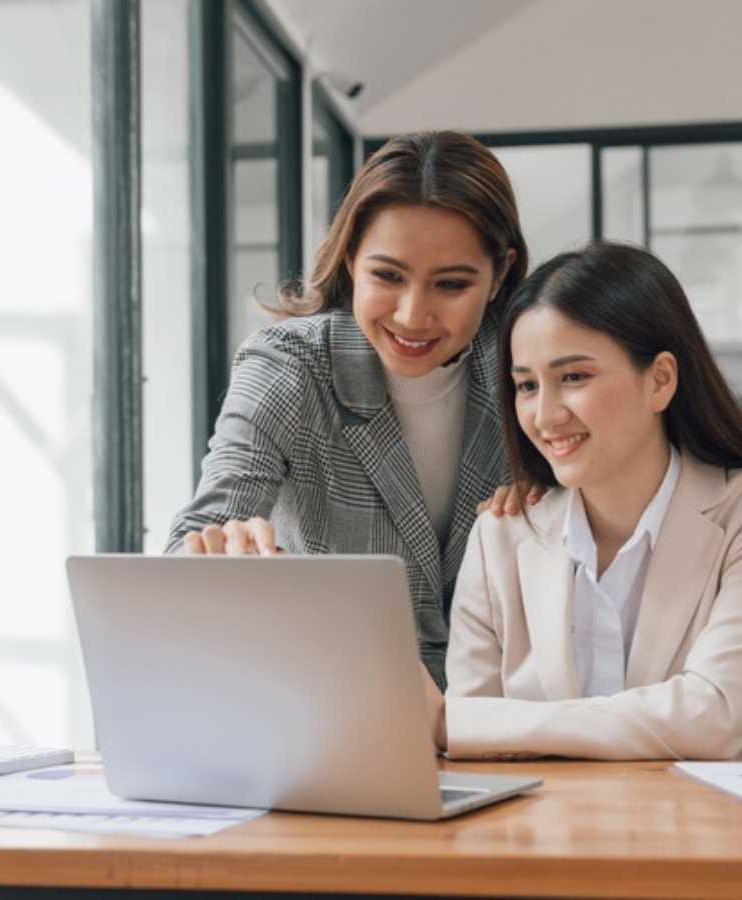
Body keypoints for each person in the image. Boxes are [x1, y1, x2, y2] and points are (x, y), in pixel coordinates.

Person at [424, 242, 742, 761]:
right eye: (527, 385)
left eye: (574, 377)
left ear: (660, 380)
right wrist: (474, 728)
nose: (545, 416)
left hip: (715, 836)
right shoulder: (500, 535)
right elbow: (474, 750)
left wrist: (487, 725)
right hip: (544, 838)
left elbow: (714, 718)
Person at [165, 131, 528, 687]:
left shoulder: (528, 366)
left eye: (451, 284)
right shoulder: (289, 366)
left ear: (499, 275)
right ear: (352, 256)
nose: (412, 316)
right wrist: (218, 551)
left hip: (504, 718)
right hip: (332, 708)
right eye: (388, 276)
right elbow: (197, 533)